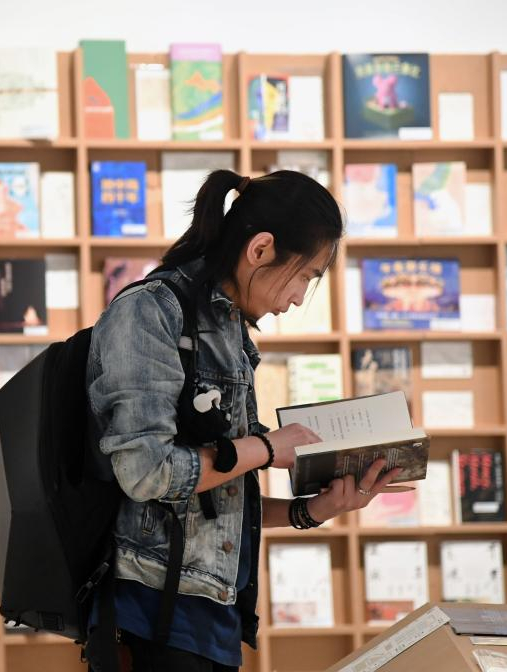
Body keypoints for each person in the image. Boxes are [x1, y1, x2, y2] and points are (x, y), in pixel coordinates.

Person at [87, 170, 408, 671]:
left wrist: (313, 510)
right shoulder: (149, 311)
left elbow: (221, 500)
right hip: (152, 613)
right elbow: (146, 471)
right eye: (305, 276)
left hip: (214, 615)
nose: (299, 297)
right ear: (260, 249)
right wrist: (268, 448)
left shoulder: (229, 330)